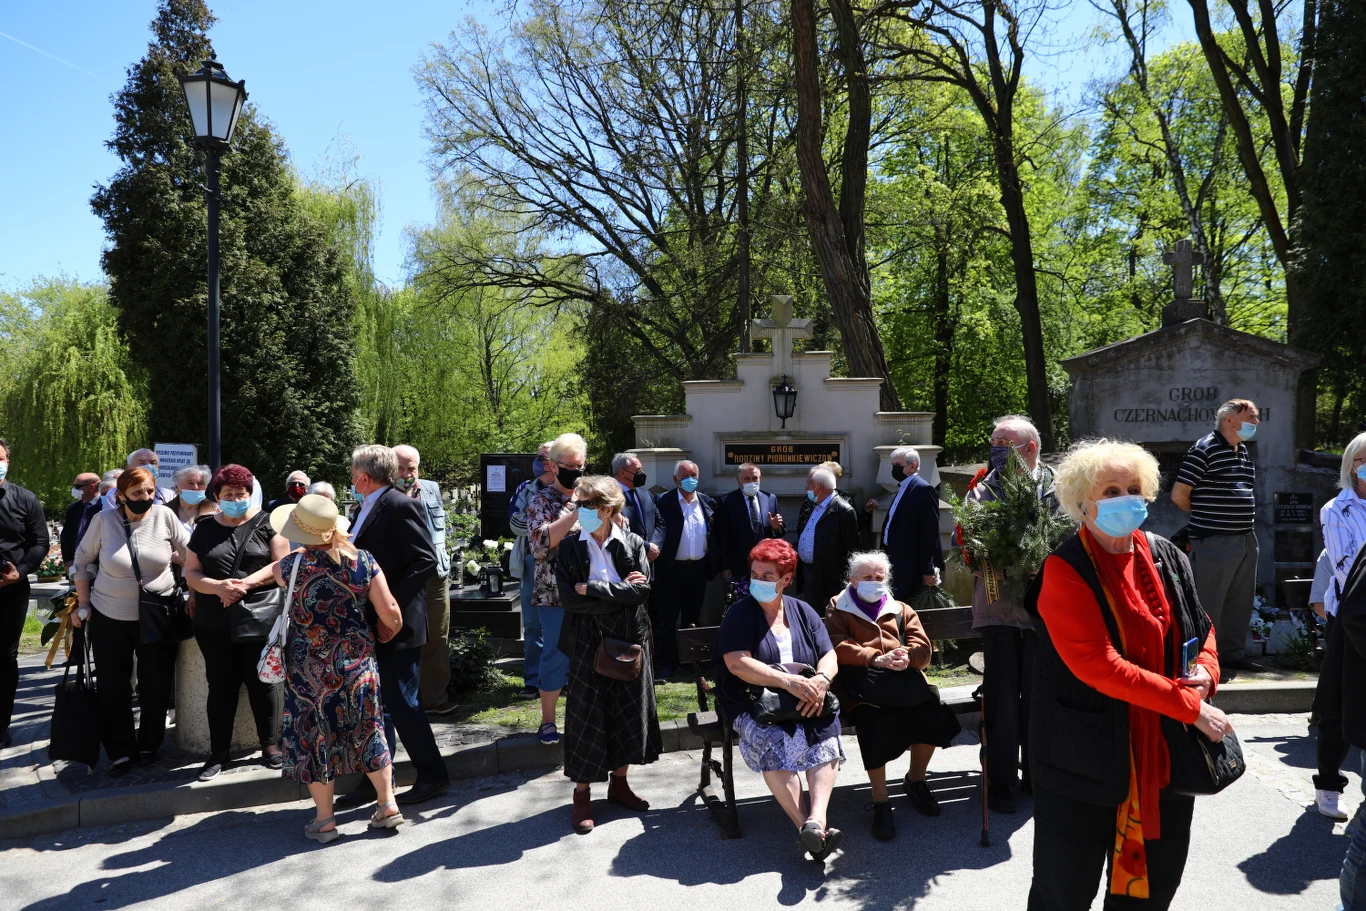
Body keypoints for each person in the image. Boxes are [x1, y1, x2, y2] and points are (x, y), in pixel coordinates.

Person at [1026, 439, 1230, 911]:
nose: (1127, 498)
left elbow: (1203, 627)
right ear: (1082, 503)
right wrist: (1192, 708)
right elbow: (1101, 666)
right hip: (1083, 758)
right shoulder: (1064, 569)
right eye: (1111, 489)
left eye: (1134, 488)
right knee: (1064, 892)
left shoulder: (1166, 554)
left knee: (1153, 891)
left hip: (1163, 755)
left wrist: (1207, 671)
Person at [260, 494, 406, 841]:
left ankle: (324, 820)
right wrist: (386, 633)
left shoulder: (292, 565)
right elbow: (390, 611)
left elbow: (267, 577)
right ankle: (387, 805)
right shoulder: (364, 561)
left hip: (308, 668)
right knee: (369, 729)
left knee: (314, 736)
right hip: (357, 662)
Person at [716, 538, 843, 861]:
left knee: (823, 733)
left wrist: (821, 682)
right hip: (754, 703)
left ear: (786, 579)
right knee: (773, 739)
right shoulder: (740, 614)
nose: (758, 581)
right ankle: (807, 827)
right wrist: (787, 681)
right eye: (755, 573)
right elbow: (737, 663)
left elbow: (829, 654)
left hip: (804, 696)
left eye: (767, 575)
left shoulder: (803, 611)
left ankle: (816, 820)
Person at [336, 444, 447, 808]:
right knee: (375, 706)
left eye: (354, 474)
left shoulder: (401, 505)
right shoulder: (363, 507)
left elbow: (424, 560)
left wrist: (390, 609)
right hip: (370, 621)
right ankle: (377, 779)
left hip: (397, 623)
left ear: (365, 476)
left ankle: (432, 774)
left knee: (403, 703)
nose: (351, 480)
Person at [825, 551, 960, 840]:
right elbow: (836, 645)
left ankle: (916, 781)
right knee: (872, 719)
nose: (874, 582)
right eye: (867, 578)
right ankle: (881, 802)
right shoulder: (838, 606)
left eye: (879, 578)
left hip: (901, 681)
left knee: (930, 710)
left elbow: (923, 650)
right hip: (863, 684)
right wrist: (875, 658)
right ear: (852, 580)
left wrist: (907, 658)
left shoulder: (901, 608)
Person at [555, 475, 660, 833]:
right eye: (578, 504)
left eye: (585, 505)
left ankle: (620, 785)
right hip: (587, 641)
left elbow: (642, 593)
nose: (578, 510)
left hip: (631, 639)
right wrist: (617, 596)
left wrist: (595, 590)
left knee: (628, 712)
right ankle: (582, 795)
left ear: (607, 509)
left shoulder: (631, 543)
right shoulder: (570, 548)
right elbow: (570, 599)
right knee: (588, 714)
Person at [968, 414, 1058, 812]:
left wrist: (1045, 562)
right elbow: (972, 543)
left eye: (1004, 442)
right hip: (999, 608)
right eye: (994, 442)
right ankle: (1001, 779)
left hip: (1047, 612)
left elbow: (1072, 534)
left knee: (1040, 696)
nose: (996, 448)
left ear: (1030, 448)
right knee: (1002, 698)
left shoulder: (1060, 487)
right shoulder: (982, 488)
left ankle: (1037, 773)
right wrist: (1009, 564)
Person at [71, 467, 188, 774]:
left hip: (156, 613)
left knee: (155, 684)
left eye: (150, 492)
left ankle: (150, 744)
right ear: (120, 495)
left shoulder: (164, 517)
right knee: (113, 685)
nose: (145, 498)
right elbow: (82, 561)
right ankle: (121, 750)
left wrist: (199, 592)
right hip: (110, 615)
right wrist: (82, 603)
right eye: (137, 493)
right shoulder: (103, 521)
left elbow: (191, 557)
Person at [183, 464, 290, 781]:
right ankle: (218, 753)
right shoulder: (204, 529)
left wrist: (243, 585)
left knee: (262, 682)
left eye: (240, 494)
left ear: (250, 494)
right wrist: (217, 587)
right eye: (228, 494)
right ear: (217, 496)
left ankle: (270, 746)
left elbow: (281, 565)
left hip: (258, 617)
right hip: (213, 621)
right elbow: (190, 572)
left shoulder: (268, 523)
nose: (235, 499)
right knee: (220, 685)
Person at [1171, 398, 1262, 679]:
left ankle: (1232, 655)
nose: (1256, 423)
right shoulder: (1204, 449)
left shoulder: (1242, 451)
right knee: (1209, 603)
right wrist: (1207, 517)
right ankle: (1201, 660)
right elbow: (1179, 494)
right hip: (1214, 540)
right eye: (1251, 417)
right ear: (1230, 420)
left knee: (1239, 602)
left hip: (1245, 539)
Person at [1310, 431, 1366, 822]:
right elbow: (1346, 568)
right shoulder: (1337, 509)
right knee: (1338, 701)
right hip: (1352, 615)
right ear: (1352, 465)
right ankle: (1328, 785)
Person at [527, 433, 589, 744]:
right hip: (554, 593)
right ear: (554, 465)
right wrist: (577, 512)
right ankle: (548, 722)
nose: (577, 472)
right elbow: (540, 543)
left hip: (589, 590)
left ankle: (585, 718)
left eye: (581, 466)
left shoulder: (590, 495)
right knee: (555, 656)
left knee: (590, 657)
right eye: (570, 466)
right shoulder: (542, 499)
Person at [394, 444, 456, 716]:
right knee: (402, 637)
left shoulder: (430, 488)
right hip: (402, 576)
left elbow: (440, 527)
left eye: (412, 468)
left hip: (435, 573)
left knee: (438, 636)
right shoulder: (382, 492)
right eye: (401, 468)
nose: (407, 474)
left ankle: (434, 698)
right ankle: (401, 701)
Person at [0, 439, 49, 749]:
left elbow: (40, 543)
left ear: (7, 460)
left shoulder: (25, 499)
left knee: (4, 658)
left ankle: (1, 724)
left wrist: (22, 570)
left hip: (11, 589)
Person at [650, 460, 717, 679]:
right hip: (671, 570)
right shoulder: (662, 501)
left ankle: (690, 662)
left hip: (697, 569)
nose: (691, 479)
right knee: (668, 619)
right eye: (686, 475)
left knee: (692, 617)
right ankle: (666, 664)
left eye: (694, 475)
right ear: (675, 479)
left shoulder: (707, 503)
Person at [510, 442, 555, 699]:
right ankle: (533, 679)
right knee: (532, 623)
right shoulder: (525, 488)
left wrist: (536, 521)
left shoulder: (571, 488)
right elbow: (515, 523)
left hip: (559, 562)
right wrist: (543, 524)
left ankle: (560, 677)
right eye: (538, 456)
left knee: (559, 622)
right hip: (530, 560)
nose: (539, 461)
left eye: (544, 457)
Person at [876, 447, 943, 602]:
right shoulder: (903, 488)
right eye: (893, 465)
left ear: (913, 465)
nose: (894, 469)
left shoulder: (923, 489)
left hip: (910, 566)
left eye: (898, 464)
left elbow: (929, 531)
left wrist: (927, 568)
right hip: (894, 561)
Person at [714, 463, 785, 600]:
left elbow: (779, 533)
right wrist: (724, 567)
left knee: (765, 607)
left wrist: (776, 527)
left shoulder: (770, 499)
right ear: (738, 480)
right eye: (746, 479)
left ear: (760, 478)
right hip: (738, 567)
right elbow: (721, 538)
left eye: (755, 478)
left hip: (766, 567)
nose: (751, 482)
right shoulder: (726, 502)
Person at [795, 466, 858, 616]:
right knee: (810, 617)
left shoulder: (844, 511)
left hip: (829, 580)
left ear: (820, 487)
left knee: (827, 619)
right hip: (808, 573)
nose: (806, 487)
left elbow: (852, 549)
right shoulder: (813, 505)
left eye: (809, 484)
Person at [612, 453, 659, 557]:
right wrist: (645, 547)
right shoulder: (609, 497)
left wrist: (654, 547)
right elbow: (613, 530)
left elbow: (660, 522)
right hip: (624, 559)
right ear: (622, 473)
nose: (641, 473)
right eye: (637, 470)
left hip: (650, 559)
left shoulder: (645, 494)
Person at [102, 449, 175, 510]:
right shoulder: (114, 494)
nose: (149, 466)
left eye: (153, 463)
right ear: (128, 469)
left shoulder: (168, 495)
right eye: (142, 463)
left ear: (159, 469)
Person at [60, 472, 102, 573]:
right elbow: (66, 536)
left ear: (91, 487)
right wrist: (68, 561)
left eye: (77, 486)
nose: (74, 490)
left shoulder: (105, 506)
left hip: (100, 566)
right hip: (77, 566)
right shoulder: (73, 508)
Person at [167, 464, 215, 536]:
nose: (195, 487)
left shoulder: (217, 511)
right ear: (177, 487)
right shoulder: (164, 512)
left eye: (200, 483)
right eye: (190, 483)